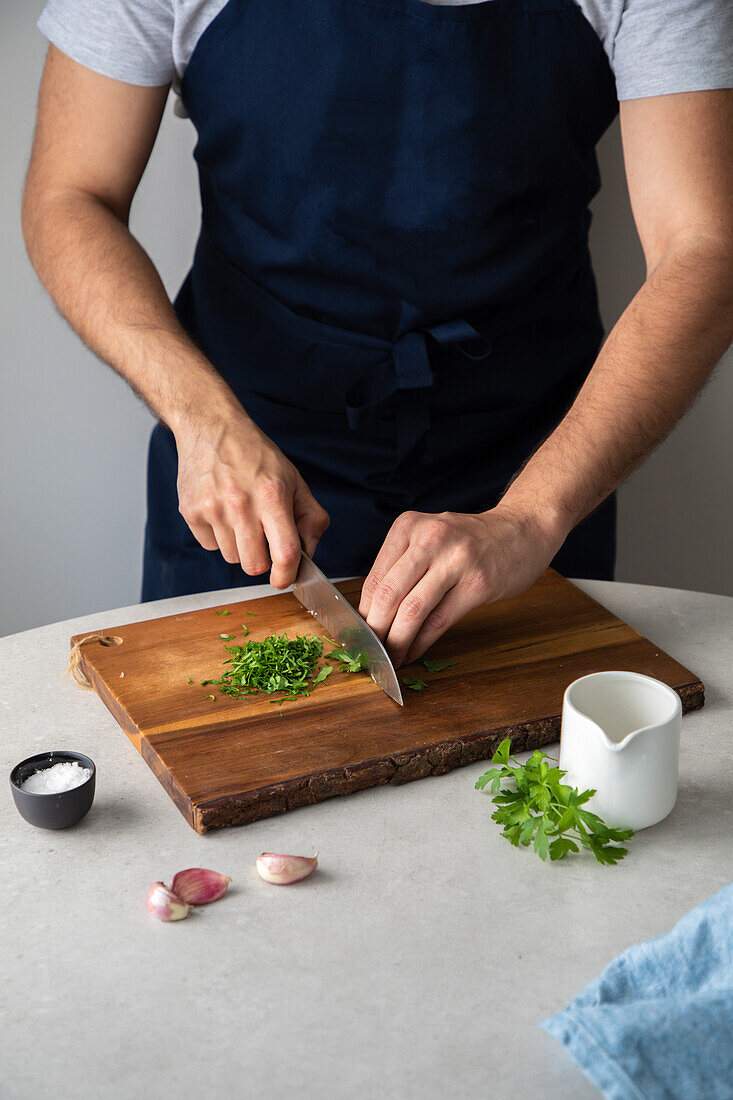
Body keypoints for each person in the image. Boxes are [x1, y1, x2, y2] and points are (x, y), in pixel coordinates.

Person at [22, 0, 732, 667]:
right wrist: (200, 420)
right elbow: (70, 195)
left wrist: (530, 517)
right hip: (246, 463)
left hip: (534, 462)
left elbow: (703, 248)